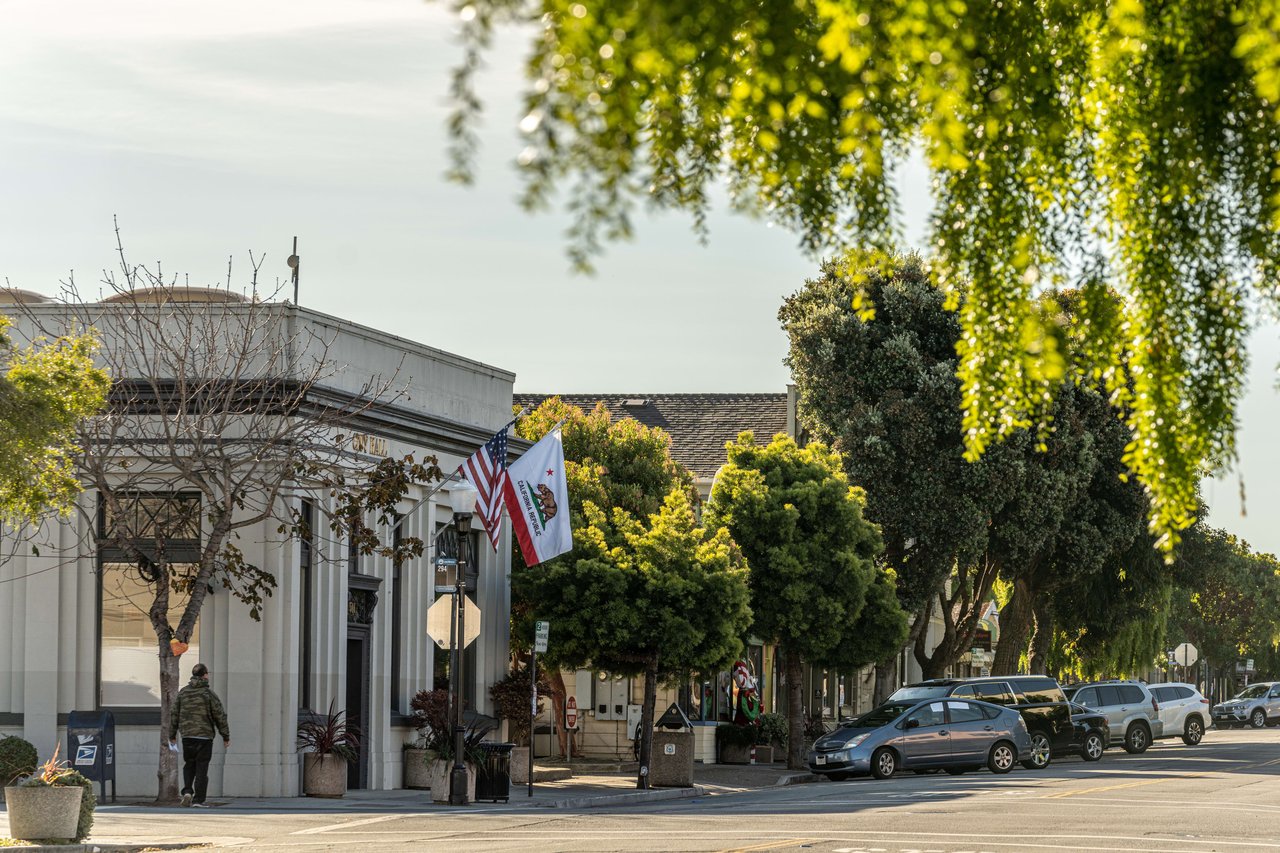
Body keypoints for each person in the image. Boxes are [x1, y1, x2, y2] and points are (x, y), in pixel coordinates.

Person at [168, 663, 230, 807]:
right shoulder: (208, 694)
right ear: (205, 675)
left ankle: (187, 791)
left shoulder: (183, 693)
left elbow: (174, 714)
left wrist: (172, 734)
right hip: (204, 737)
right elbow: (219, 716)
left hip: (187, 736)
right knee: (202, 768)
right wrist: (225, 736)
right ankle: (198, 800)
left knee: (189, 765)